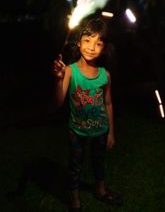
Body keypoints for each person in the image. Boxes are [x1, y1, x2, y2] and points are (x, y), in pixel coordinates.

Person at [52, 18, 122, 212]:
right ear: (78, 42)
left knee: (99, 162)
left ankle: (101, 190)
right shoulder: (69, 71)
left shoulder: (104, 74)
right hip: (77, 130)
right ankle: (74, 199)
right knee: (75, 165)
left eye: (98, 43)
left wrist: (111, 132)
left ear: (104, 48)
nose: (92, 47)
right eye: (88, 40)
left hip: (100, 129)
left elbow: (108, 103)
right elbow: (58, 103)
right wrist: (58, 80)